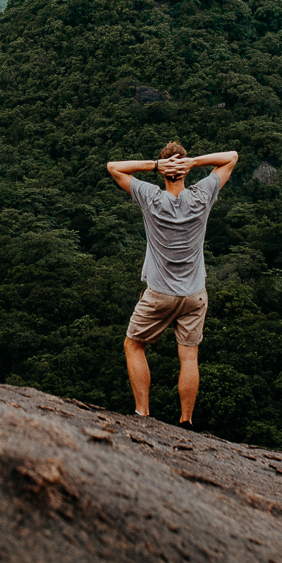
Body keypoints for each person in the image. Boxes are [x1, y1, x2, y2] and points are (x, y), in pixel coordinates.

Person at [106, 142, 238, 425]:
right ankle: (186, 420)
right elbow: (231, 157)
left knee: (134, 345)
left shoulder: (151, 197)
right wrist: (193, 162)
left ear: (165, 173)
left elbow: (113, 167)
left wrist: (155, 165)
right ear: (184, 171)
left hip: (159, 294)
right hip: (194, 295)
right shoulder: (202, 196)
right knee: (189, 356)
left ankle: (142, 412)